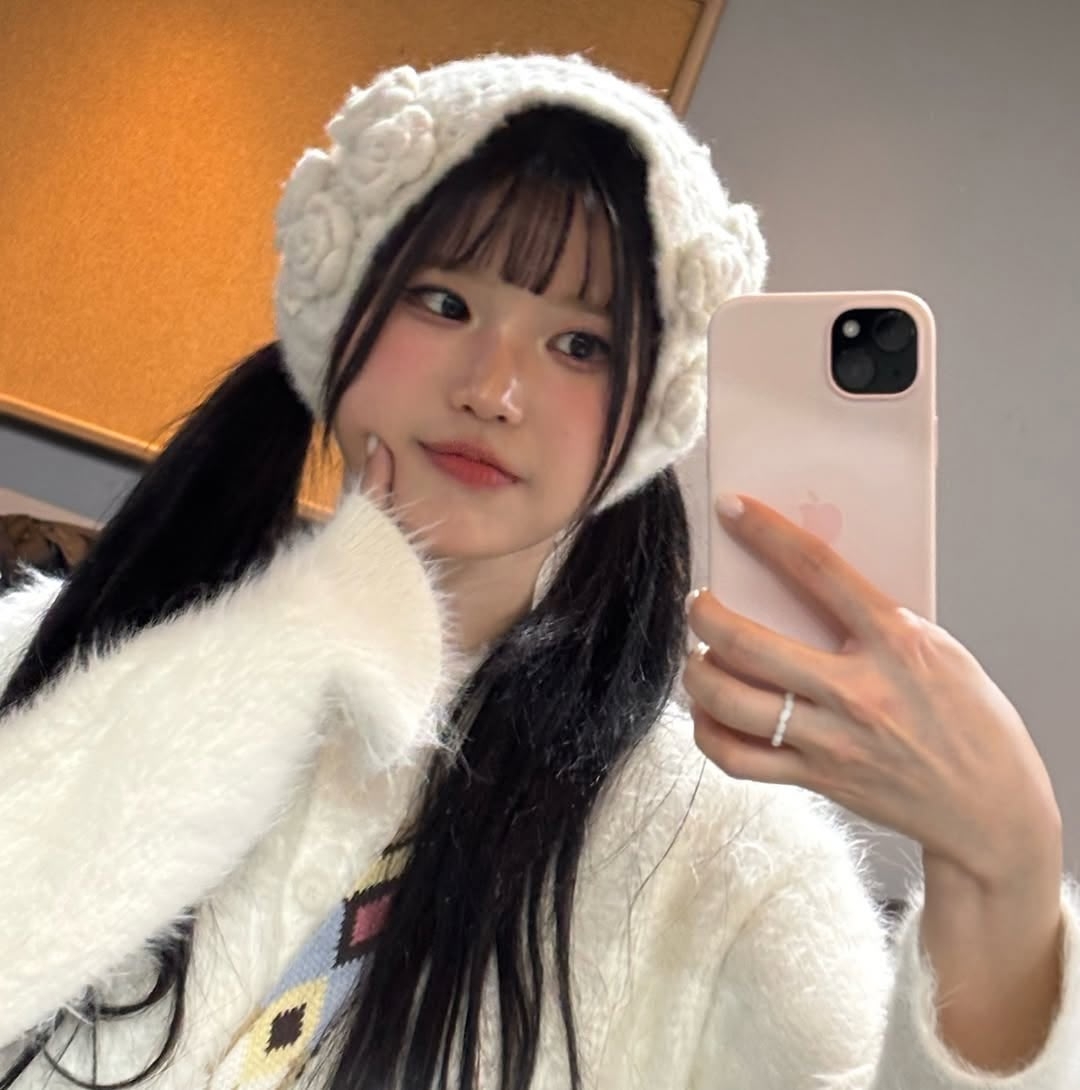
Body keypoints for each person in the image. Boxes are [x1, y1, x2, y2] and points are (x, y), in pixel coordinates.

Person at [0, 53, 1075, 1090]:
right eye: (445, 302)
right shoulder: (53, 660)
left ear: (649, 411)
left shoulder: (722, 858)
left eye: (582, 346)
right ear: (339, 313)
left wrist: (1006, 873)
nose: (493, 389)